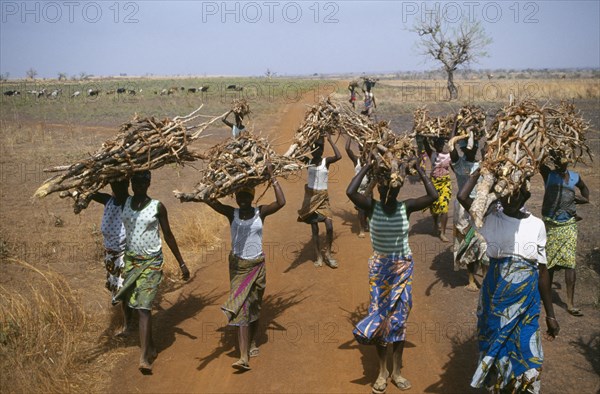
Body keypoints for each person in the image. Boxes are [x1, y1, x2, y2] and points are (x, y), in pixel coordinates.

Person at [458, 169, 560, 393]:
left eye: (515, 196)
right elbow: (462, 197)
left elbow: (542, 271)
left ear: (525, 196)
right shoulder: (491, 218)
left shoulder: (537, 225)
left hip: (527, 300)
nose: (509, 201)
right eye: (504, 196)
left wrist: (550, 314)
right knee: (495, 346)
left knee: (528, 351)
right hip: (495, 298)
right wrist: (481, 173)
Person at [347, 157, 438, 394]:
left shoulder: (405, 207)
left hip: (402, 269)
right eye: (385, 187)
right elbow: (350, 191)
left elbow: (433, 197)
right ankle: (382, 372)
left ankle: (396, 371)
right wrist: (367, 166)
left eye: (393, 188)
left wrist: (420, 170)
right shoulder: (371, 206)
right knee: (379, 319)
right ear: (379, 187)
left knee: (398, 321)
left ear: (398, 189)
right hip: (380, 271)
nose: (389, 192)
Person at [202, 163, 285, 371]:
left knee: (254, 306)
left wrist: (271, 175)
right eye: (240, 197)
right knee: (242, 308)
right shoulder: (232, 213)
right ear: (236, 198)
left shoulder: (261, 212)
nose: (244, 201)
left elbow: (282, 202)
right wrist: (217, 180)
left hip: (257, 265)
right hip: (239, 267)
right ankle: (243, 356)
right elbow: (207, 198)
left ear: (252, 197)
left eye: (247, 197)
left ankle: (252, 340)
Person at [113, 170, 190, 374]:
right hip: (131, 262)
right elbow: (113, 181)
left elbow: (169, 235)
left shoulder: (157, 206)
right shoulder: (124, 201)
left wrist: (182, 264)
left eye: (142, 181)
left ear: (149, 183)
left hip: (152, 263)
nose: (138, 185)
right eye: (135, 181)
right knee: (133, 303)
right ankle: (152, 347)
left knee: (144, 308)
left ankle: (144, 356)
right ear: (130, 182)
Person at [540, 156, 589, 317]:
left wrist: (582, 199)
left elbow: (584, 190)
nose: (561, 162)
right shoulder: (549, 174)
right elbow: (538, 162)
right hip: (551, 224)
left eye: (564, 159)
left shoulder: (574, 176)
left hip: (568, 223)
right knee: (550, 261)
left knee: (569, 262)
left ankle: (570, 303)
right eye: (558, 159)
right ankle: (545, 296)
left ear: (568, 161)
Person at [90, 179, 133, 335]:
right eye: (114, 184)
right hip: (110, 256)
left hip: (125, 254)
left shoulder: (132, 203)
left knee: (124, 290)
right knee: (119, 291)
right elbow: (91, 193)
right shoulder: (108, 201)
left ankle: (129, 324)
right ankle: (130, 321)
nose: (117, 188)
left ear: (127, 185)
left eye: (121, 184)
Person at [297, 134, 342, 268]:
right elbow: (295, 155)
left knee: (329, 226)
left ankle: (328, 253)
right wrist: (306, 141)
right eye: (315, 147)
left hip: (323, 198)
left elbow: (339, 156)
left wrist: (330, 140)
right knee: (315, 228)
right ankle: (318, 256)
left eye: (320, 147)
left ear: (323, 149)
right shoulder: (307, 161)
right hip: (311, 197)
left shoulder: (325, 161)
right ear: (311, 148)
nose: (318, 150)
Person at [450, 138, 488, 291]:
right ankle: (471, 279)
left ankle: (485, 279)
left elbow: (489, 149)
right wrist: (456, 131)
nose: (472, 150)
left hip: (480, 207)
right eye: (468, 148)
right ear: (464, 150)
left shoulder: (484, 165)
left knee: (484, 242)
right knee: (469, 241)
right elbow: (451, 146)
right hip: (463, 209)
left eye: (475, 148)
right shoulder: (459, 165)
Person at [423, 136, 451, 242]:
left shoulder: (448, 155)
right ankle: (435, 223)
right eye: (437, 144)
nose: (439, 146)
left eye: (441, 144)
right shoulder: (432, 154)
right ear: (434, 145)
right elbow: (425, 143)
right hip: (434, 182)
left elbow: (454, 166)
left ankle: (442, 233)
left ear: (443, 145)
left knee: (444, 207)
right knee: (434, 206)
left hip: (445, 183)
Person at [345, 137, 371, 238]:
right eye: (361, 147)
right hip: (358, 189)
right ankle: (361, 229)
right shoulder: (357, 160)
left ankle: (366, 223)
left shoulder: (371, 160)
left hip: (368, 188)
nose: (362, 149)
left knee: (368, 208)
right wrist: (350, 136)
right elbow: (347, 149)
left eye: (364, 147)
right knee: (361, 210)